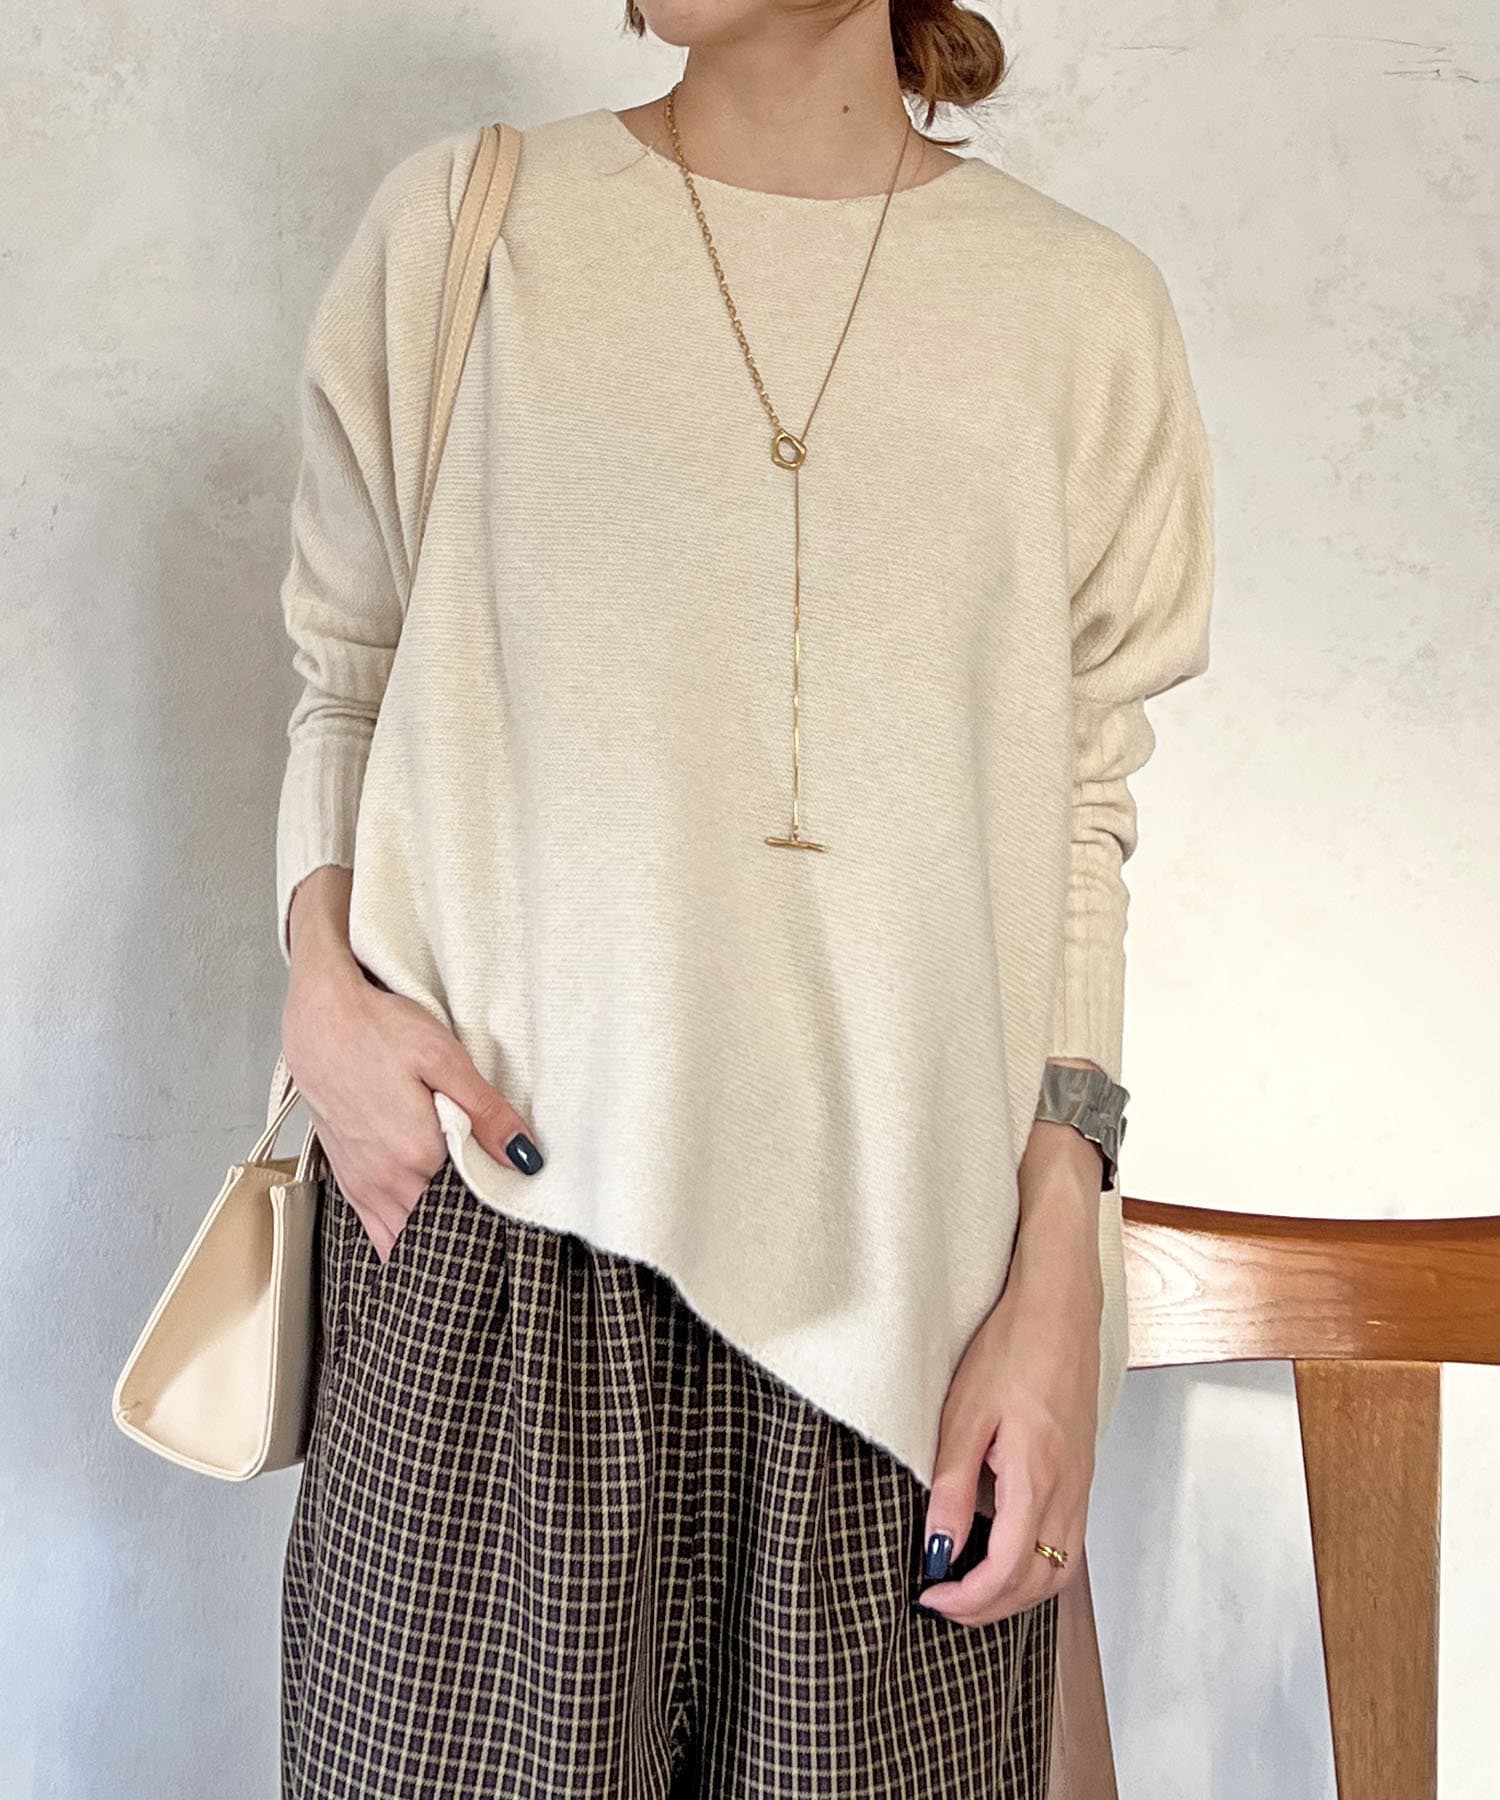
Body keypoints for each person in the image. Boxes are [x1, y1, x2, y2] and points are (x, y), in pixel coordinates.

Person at [274, 3, 1215, 1795]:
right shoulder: (473, 227)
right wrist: (324, 989)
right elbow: (349, 668)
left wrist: (1059, 1275)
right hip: (497, 1258)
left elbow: (1080, 815)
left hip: (909, 1318)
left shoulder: (1081, 313)